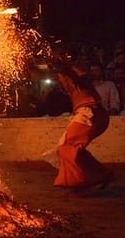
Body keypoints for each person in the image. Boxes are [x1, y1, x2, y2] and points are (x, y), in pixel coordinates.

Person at [47, 54, 114, 195]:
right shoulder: (66, 75)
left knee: (67, 147)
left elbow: (85, 76)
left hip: (91, 113)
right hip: (89, 113)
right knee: (68, 147)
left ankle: (81, 183)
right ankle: (100, 175)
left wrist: (67, 64)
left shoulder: (76, 75)